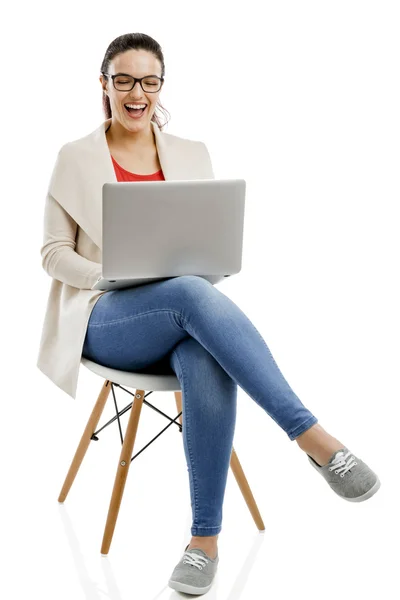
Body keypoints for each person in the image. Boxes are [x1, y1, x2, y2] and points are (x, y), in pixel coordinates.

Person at [39, 32, 380, 596]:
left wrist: (196, 270)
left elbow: (203, 243)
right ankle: (314, 439)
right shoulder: (74, 157)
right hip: (103, 316)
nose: (136, 93)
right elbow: (53, 254)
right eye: (123, 80)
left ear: (161, 87)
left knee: (200, 339)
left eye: (149, 81)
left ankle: (204, 543)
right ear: (104, 85)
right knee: (191, 297)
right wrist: (104, 275)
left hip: (180, 313)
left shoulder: (192, 153)